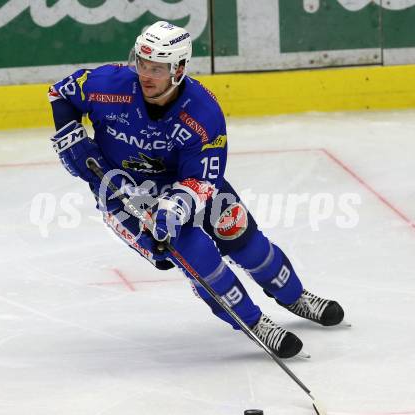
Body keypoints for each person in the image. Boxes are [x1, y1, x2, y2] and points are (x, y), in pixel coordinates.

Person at [48, 21, 345, 359]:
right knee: (194, 253)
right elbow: (61, 92)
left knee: (240, 236)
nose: (146, 74)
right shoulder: (110, 84)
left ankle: (294, 295)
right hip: (124, 193)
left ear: (180, 69)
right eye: (142, 64)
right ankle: (253, 322)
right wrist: (70, 136)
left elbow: (203, 180)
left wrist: (175, 206)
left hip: (188, 185)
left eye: (157, 68)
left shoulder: (202, 112)